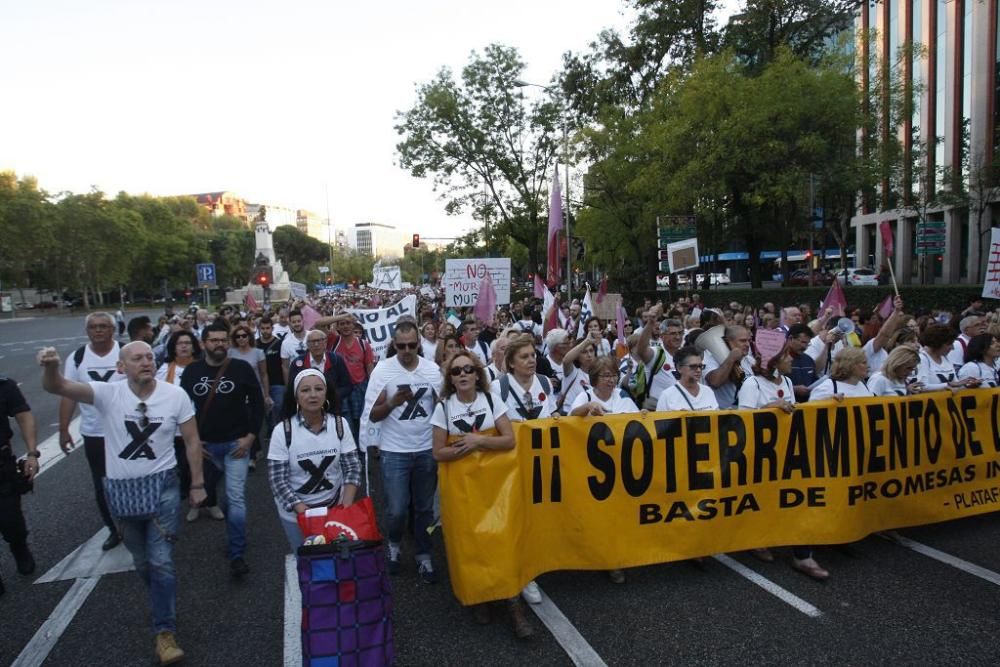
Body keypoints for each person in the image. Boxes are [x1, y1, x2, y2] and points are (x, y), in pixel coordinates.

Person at [39, 342, 207, 665]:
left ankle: (164, 632)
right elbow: (56, 386)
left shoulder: (175, 395)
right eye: (136, 358)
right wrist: (50, 366)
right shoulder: (107, 394)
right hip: (123, 492)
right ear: (121, 367)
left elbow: (191, 440)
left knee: (160, 562)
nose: (145, 362)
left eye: (148, 357)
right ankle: (162, 596)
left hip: (164, 488)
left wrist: (198, 484)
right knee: (143, 563)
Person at [430, 353, 533, 638]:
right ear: (450, 379)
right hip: (461, 489)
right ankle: (479, 598)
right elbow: (438, 452)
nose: (462, 374)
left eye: (468, 369)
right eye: (456, 371)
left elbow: (509, 438)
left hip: (496, 486)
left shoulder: (491, 400)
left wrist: (479, 440)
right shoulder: (443, 408)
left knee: (501, 541)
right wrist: (466, 448)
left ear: (477, 374)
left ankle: (514, 606)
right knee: (470, 544)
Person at [180, 322, 265, 577]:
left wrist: (250, 437)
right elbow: (182, 410)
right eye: (214, 340)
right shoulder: (192, 371)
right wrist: (193, 443)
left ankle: (236, 551)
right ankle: (232, 531)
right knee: (212, 497)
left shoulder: (240, 368)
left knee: (235, 498)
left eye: (222, 340)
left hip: (236, 446)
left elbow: (258, 403)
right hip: (205, 448)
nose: (219, 344)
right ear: (204, 343)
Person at [361, 321, 441, 583]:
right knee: (396, 509)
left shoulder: (431, 370)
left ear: (419, 343)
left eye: (412, 345)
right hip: (394, 451)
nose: (407, 350)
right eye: (401, 345)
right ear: (393, 345)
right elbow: (372, 414)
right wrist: (392, 403)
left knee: (424, 508)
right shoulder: (383, 371)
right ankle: (394, 546)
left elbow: (444, 407)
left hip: (426, 449)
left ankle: (423, 555)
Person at [490, 333, 555, 605]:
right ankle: (517, 573)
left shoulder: (545, 383)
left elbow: (551, 417)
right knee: (513, 517)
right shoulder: (498, 387)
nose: (531, 361)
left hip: (540, 461)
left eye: (533, 355)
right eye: (524, 357)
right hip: (511, 463)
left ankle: (531, 567)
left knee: (536, 517)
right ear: (511, 363)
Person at [267, 369, 360, 552]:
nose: (312, 395)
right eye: (305, 390)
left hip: (335, 507)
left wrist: (346, 507)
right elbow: (278, 480)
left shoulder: (340, 425)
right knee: (307, 561)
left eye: (318, 389)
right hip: (297, 514)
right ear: (296, 396)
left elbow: (352, 467)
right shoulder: (282, 431)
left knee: (338, 560)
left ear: (326, 393)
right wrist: (305, 512)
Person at [59, 312, 126, 551]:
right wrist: (64, 428)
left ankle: (136, 523)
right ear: (87, 331)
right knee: (102, 484)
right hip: (94, 433)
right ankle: (113, 529)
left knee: (131, 477)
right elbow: (68, 393)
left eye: (103, 326)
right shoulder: (77, 358)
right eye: (93, 327)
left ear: (113, 329)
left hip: (127, 432)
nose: (98, 331)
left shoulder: (126, 352)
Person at [155, 331, 221, 522]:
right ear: (173, 347)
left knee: (208, 469)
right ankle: (194, 504)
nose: (183, 346)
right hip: (174, 432)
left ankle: (212, 502)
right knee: (185, 469)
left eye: (187, 343)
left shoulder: (204, 367)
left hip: (201, 427)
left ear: (194, 346)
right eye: (179, 343)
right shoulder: (164, 370)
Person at [0, 372, 39, 596]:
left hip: (1, 467)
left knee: (10, 519)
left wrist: (32, 453)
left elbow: (24, 416)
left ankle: (19, 545)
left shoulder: (4, 386)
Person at [703, 325, 754, 409]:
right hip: (725, 416)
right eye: (743, 341)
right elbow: (715, 382)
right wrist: (731, 358)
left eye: (749, 341)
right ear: (728, 342)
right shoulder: (711, 358)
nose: (748, 344)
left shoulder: (749, 360)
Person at [917, 323, 978, 392]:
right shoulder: (922, 359)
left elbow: (956, 385)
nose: (952, 348)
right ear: (938, 343)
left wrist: (967, 385)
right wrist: (948, 384)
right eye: (949, 344)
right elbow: (921, 387)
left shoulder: (946, 359)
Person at [655, 346, 719, 411]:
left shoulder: (708, 391)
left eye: (700, 366)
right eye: (693, 366)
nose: (698, 370)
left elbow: (717, 418)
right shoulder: (667, 395)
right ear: (679, 368)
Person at [809, 348, 875, 401]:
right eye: (864, 363)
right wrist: (828, 400)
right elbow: (811, 411)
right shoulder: (827, 388)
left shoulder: (863, 385)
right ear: (850, 365)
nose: (868, 366)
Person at [256, 316, 286, 429]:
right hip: (261, 383)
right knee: (265, 407)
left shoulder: (280, 343)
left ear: (272, 328)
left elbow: (284, 364)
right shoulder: (255, 344)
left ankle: (277, 428)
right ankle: (270, 428)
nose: (265, 330)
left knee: (278, 405)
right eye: (262, 328)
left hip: (277, 381)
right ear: (259, 329)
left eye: (267, 328)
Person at [280, 310, 309, 384]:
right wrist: (288, 386)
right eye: (294, 322)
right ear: (290, 324)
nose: (297, 324)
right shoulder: (286, 343)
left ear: (303, 321)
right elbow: (285, 367)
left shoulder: (312, 336)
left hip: (313, 376)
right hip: (296, 380)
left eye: (299, 321)